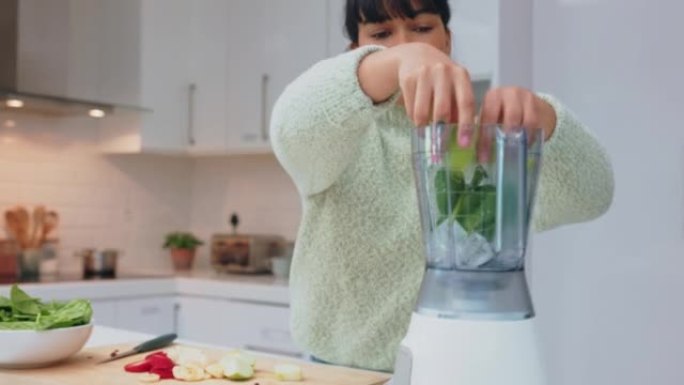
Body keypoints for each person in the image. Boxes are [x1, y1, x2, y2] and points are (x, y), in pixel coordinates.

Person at [270, 0, 614, 373]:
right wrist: (395, 63)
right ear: (357, 51)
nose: (404, 45)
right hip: (341, 369)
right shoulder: (339, 138)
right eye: (381, 34)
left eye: (421, 29)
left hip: (460, 365)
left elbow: (592, 195)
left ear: (447, 41)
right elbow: (291, 125)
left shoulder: (484, 141)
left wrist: (546, 123)